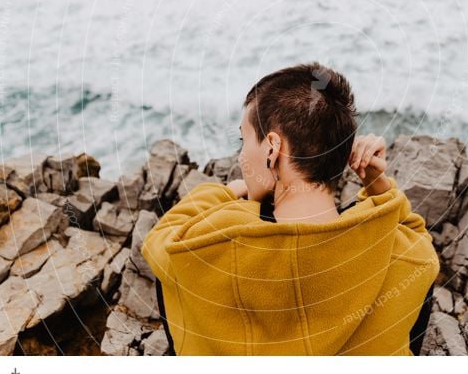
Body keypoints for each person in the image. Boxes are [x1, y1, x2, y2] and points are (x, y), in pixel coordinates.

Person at [141, 62, 439, 355]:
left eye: (243, 141)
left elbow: (161, 239)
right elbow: (416, 235)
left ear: (272, 148)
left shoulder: (211, 241)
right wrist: (377, 184)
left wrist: (225, 191)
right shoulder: (407, 256)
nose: (241, 155)